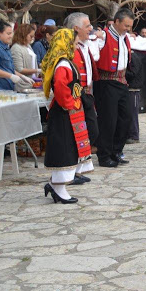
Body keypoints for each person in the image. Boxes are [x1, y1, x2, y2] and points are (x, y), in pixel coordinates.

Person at [94, 8, 146, 168]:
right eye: (126, 25)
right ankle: (104, 155)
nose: (128, 28)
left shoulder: (126, 38)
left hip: (122, 82)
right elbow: (91, 45)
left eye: (130, 26)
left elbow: (141, 43)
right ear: (116, 22)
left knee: (126, 118)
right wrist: (94, 35)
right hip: (106, 82)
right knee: (109, 121)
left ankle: (116, 151)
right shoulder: (104, 37)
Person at [40, 29, 91, 204]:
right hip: (64, 112)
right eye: (75, 43)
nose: (77, 47)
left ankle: (56, 186)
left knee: (69, 148)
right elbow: (62, 89)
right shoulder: (62, 64)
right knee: (64, 150)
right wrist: (71, 105)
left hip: (70, 110)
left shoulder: (66, 62)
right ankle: (58, 187)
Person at [64, 13, 100, 183]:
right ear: (76, 29)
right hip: (76, 94)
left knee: (90, 131)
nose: (91, 29)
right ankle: (72, 172)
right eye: (87, 26)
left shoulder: (85, 46)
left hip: (86, 93)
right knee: (77, 132)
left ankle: (78, 169)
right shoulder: (67, 48)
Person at [0, 20, 33, 90]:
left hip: (8, 88)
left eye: (12, 33)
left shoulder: (5, 47)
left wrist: (21, 76)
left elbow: (8, 68)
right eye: (8, 34)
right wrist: (11, 76)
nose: (11, 36)